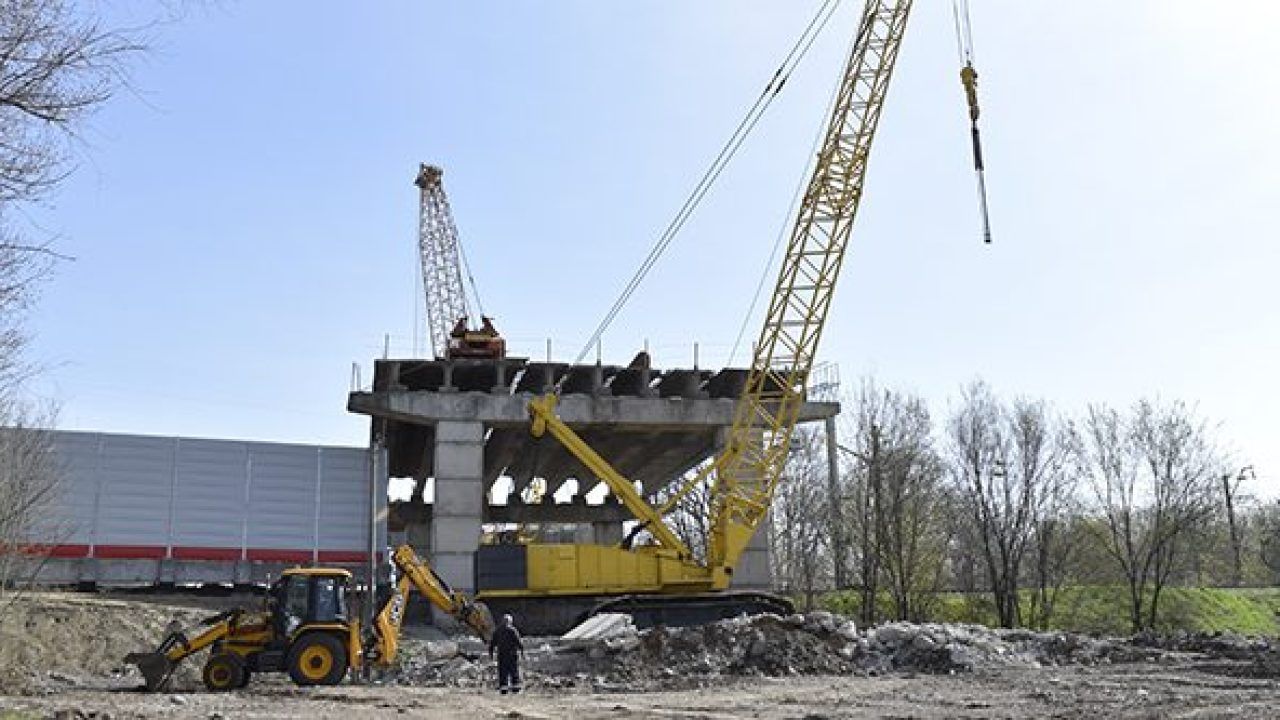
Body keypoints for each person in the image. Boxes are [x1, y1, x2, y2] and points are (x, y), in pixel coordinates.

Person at [489, 613, 525, 694]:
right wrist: (522, 653)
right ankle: (515, 689)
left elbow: (492, 644)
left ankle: (504, 689)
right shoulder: (513, 630)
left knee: (503, 672)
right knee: (514, 672)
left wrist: (491, 655)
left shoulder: (498, 631)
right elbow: (519, 643)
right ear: (510, 622)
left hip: (502, 655)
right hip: (512, 655)